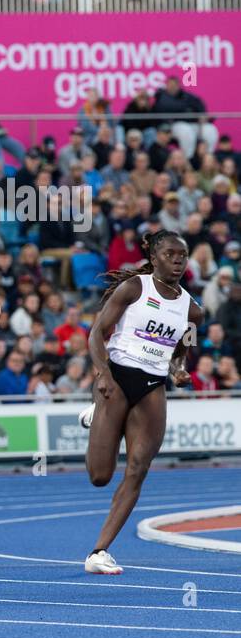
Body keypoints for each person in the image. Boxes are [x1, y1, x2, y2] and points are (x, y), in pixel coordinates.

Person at [76, 231, 202, 575]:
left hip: (151, 385)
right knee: (100, 477)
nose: (178, 261)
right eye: (171, 255)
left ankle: (99, 552)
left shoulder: (192, 309)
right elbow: (96, 333)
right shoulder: (134, 289)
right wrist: (101, 374)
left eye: (183, 256)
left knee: (138, 469)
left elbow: (181, 351)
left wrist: (178, 371)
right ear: (155, 257)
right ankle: (96, 412)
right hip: (116, 377)